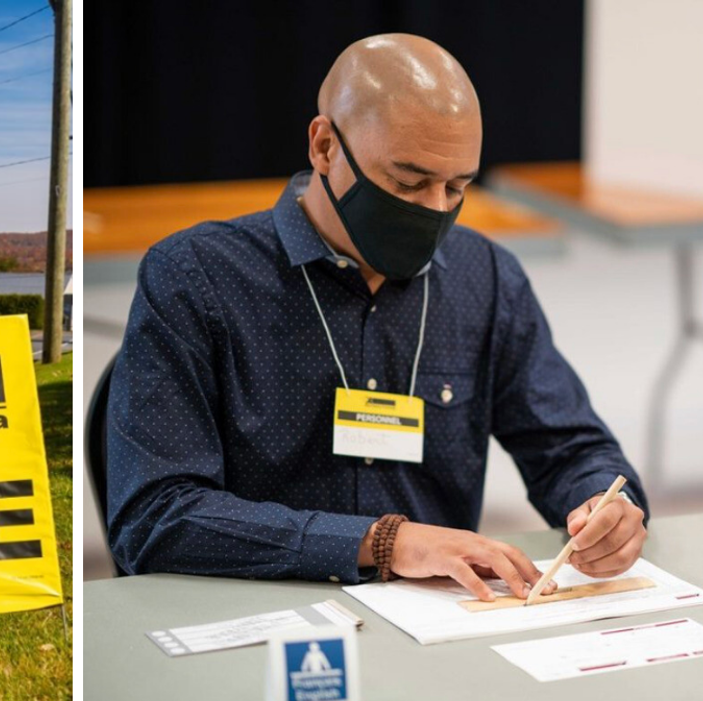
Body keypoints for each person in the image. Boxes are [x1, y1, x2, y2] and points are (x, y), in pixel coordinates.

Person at [104, 33, 648, 602]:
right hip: (256, 620)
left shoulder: (483, 277)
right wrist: (381, 542)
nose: (436, 210)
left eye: (457, 186)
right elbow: (154, 515)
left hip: (439, 623)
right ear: (324, 148)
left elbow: (570, 445)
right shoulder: (197, 277)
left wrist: (607, 507)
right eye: (408, 182)